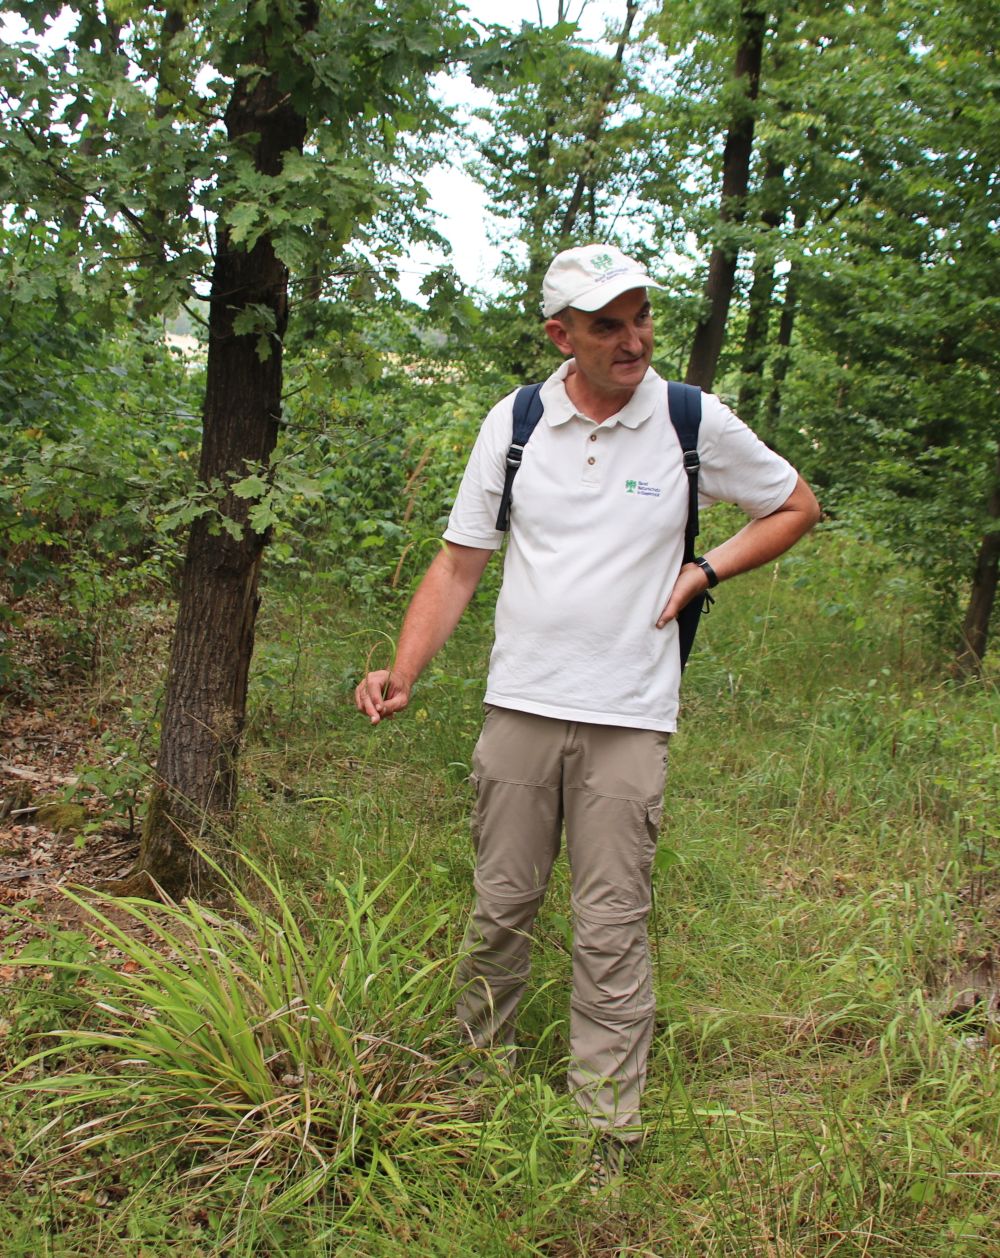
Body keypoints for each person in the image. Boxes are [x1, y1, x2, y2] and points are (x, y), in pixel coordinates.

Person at [355, 244, 820, 1179]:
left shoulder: (690, 419)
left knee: (611, 925)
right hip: (520, 706)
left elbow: (795, 504)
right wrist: (403, 669)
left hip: (629, 715)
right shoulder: (517, 421)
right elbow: (458, 561)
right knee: (500, 907)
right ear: (560, 334)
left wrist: (706, 568)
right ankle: (472, 1084)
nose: (633, 339)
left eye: (642, 317)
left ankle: (604, 1130)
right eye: (608, 324)